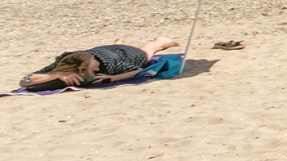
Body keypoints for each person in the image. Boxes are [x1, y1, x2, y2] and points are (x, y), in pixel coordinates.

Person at [19, 38, 182, 92]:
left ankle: (160, 41)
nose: (97, 69)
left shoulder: (109, 64)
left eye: (96, 66)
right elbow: (24, 81)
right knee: (111, 49)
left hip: (128, 54)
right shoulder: (65, 61)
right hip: (102, 50)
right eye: (94, 68)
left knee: (147, 51)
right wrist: (57, 75)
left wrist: (112, 78)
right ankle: (117, 43)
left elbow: (138, 70)